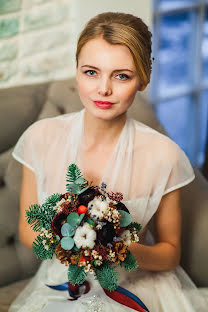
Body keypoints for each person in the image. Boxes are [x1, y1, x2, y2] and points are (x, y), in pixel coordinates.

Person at [9, 11, 207, 312]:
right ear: (76, 71)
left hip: (135, 287)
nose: (104, 89)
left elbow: (170, 254)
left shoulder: (164, 155)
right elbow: (27, 231)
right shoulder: (40, 138)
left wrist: (118, 250)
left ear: (143, 80)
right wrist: (75, 244)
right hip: (62, 283)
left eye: (122, 75)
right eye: (91, 72)